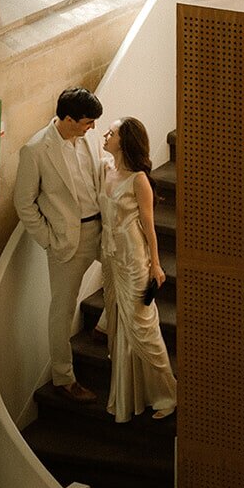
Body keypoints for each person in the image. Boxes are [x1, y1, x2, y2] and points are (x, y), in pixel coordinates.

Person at [15, 87, 104, 404]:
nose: (92, 128)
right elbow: (24, 204)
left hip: (101, 229)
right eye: (87, 122)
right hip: (66, 242)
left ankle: (104, 326)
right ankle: (64, 378)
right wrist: (48, 240)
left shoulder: (89, 139)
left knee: (132, 275)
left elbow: (100, 170)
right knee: (61, 312)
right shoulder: (36, 150)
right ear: (68, 119)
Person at [100, 117, 176, 423]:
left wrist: (156, 264)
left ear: (124, 140)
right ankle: (131, 396)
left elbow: (149, 226)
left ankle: (169, 393)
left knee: (142, 328)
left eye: (113, 132)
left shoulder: (139, 181)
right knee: (120, 323)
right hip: (111, 256)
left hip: (134, 258)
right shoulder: (105, 169)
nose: (106, 134)